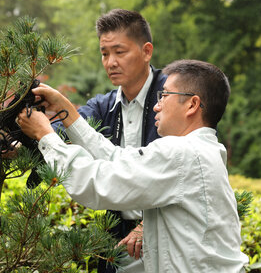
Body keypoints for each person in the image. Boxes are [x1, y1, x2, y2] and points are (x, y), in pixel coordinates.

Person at [18, 59, 249, 273]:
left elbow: (97, 183)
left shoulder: (181, 154)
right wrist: (65, 110)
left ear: (192, 104)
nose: (156, 106)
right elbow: (116, 159)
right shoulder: (201, 150)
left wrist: (45, 135)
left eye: (164, 96)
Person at [52, 9, 167, 273]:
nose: (110, 62)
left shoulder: (172, 96)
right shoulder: (104, 105)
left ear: (146, 51)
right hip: (118, 236)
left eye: (119, 51)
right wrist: (22, 141)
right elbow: (65, 125)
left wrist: (147, 225)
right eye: (104, 53)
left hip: (166, 229)